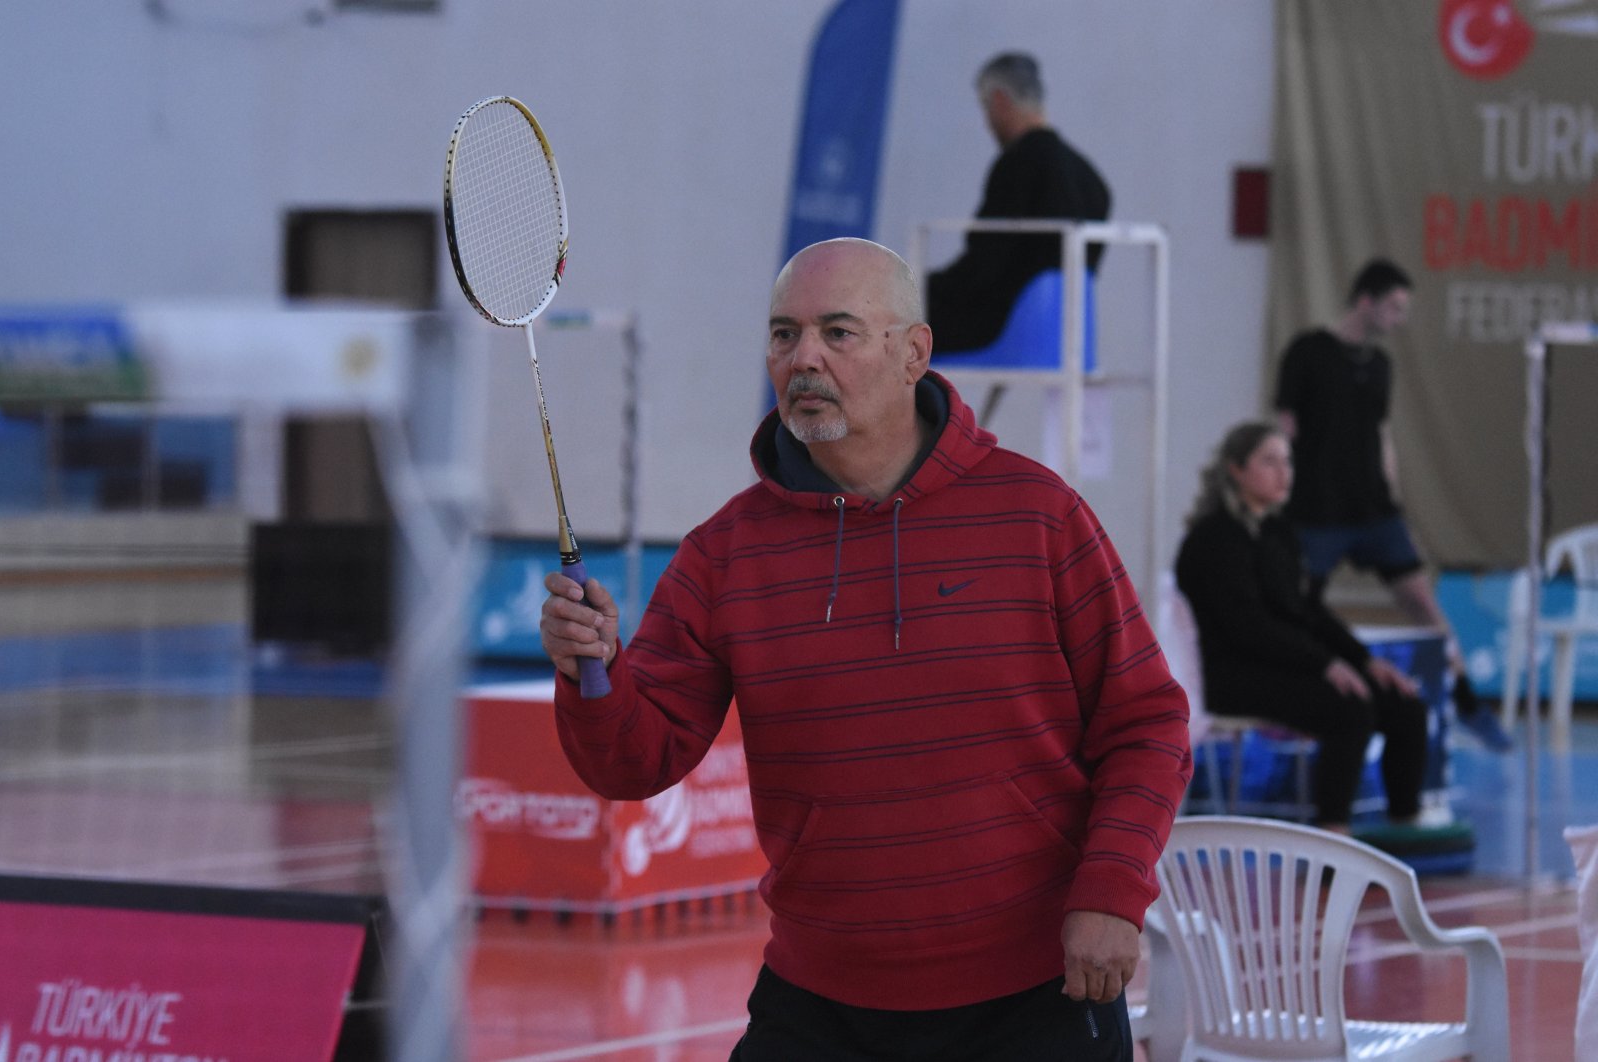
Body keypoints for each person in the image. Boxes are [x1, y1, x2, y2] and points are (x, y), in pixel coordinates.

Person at [540, 238, 1191, 1060]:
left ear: (912, 352)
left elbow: (1148, 725)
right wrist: (590, 672)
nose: (802, 357)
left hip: (1036, 996)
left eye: (837, 332)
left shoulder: (1038, 515)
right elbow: (634, 763)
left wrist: (1111, 892)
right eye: (784, 335)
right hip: (821, 1004)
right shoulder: (724, 553)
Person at [1273, 258, 1512, 752]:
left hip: (1374, 513)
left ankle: (1467, 703)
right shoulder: (1308, 352)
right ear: (1367, 301)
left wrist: (1396, 504)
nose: (1399, 319)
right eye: (1395, 307)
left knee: (1423, 603)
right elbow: (1285, 428)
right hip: (1317, 512)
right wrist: (1281, 495)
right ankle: (1304, 703)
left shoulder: (1381, 365)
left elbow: (1382, 436)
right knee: (1300, 605)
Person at [1175, 421, 1431, 833]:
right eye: (1270, 461)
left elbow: (1310, 611)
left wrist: (1364, 661)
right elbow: (1249, 626)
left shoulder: (1279, 533)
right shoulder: (1212, 539)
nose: (1284, 473)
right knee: (1350, 708)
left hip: (1289, 663)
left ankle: (1407, 825)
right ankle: (1334, 838)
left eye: (1287, 461)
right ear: (1236, 470)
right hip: (1236, 673)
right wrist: (1325, 665)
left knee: (1403, 704)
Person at [926, 51, 1112, 354]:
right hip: (1071, 337)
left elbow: (983, 267)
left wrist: (919, 289)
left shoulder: (1019, 164)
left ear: (1000, 100)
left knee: (888, 326)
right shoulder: (1091, 178)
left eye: (986, 107)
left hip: (1003, 327)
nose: (988, 122)